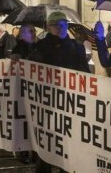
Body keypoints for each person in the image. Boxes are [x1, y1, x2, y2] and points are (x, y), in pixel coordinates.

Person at [29, 11, 90, 172]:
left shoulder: (77, 46)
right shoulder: (40, 46)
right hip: (47, 101)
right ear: (49, 27)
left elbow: (84, 72)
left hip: (70, 101)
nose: (59, 27)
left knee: (69, 140)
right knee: (46, 140)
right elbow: (31, 70)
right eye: (55, 24)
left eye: (63, 23)